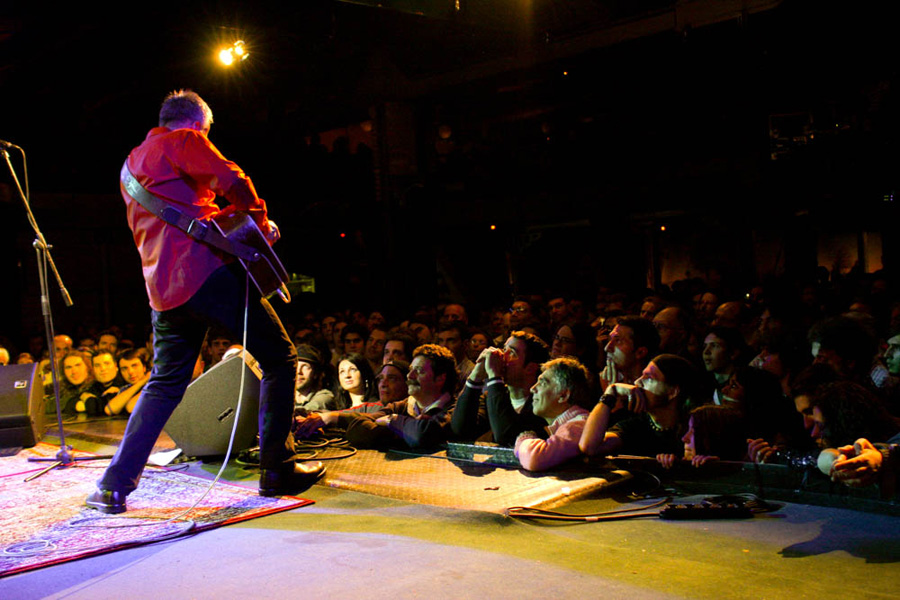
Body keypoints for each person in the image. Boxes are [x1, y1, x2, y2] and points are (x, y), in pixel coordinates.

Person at [86, 90, 323, 515]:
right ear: (197, 124)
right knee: (280, 358)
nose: (206, 138)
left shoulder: (130, 164)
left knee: (163, 384)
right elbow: (232, 179)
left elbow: (181, 212)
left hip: (162, 292)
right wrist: (259, 221)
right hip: (206, 272)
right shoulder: (183, 140)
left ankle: (112, 486)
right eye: (207, 131)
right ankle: (277, 470)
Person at [514, 357, 592, 471]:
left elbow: (535, 458)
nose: (532, 389)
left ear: (563, 396)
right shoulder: (571, 424)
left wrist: (524, 439)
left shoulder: (577, 425)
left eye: (542, 383)